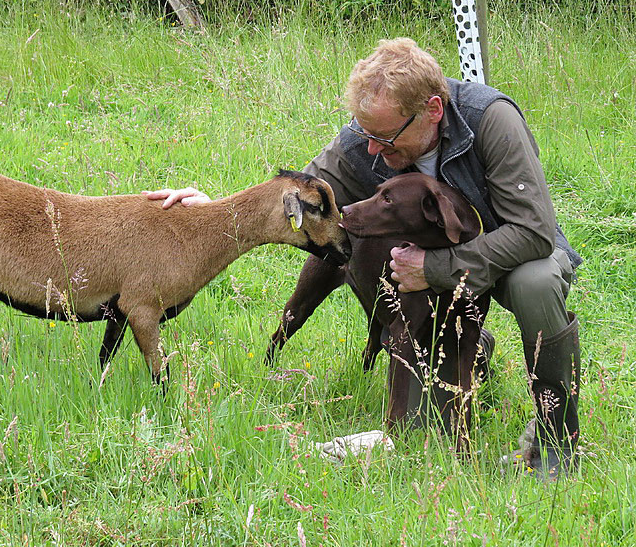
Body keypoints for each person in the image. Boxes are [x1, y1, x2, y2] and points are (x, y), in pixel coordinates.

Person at [147, 37, 582, 479]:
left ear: (432, 110)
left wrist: (434, 269)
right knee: (420, 435)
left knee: (537, 281)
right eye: (365, 135)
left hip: (510, 254)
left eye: (385, 138)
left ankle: (556, 437)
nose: (371, 150)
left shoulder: (490, 121)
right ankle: (473, 351)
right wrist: (212, 210)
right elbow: (298, 194)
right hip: (427, 281)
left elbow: (533, 231)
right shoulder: (367, 136)